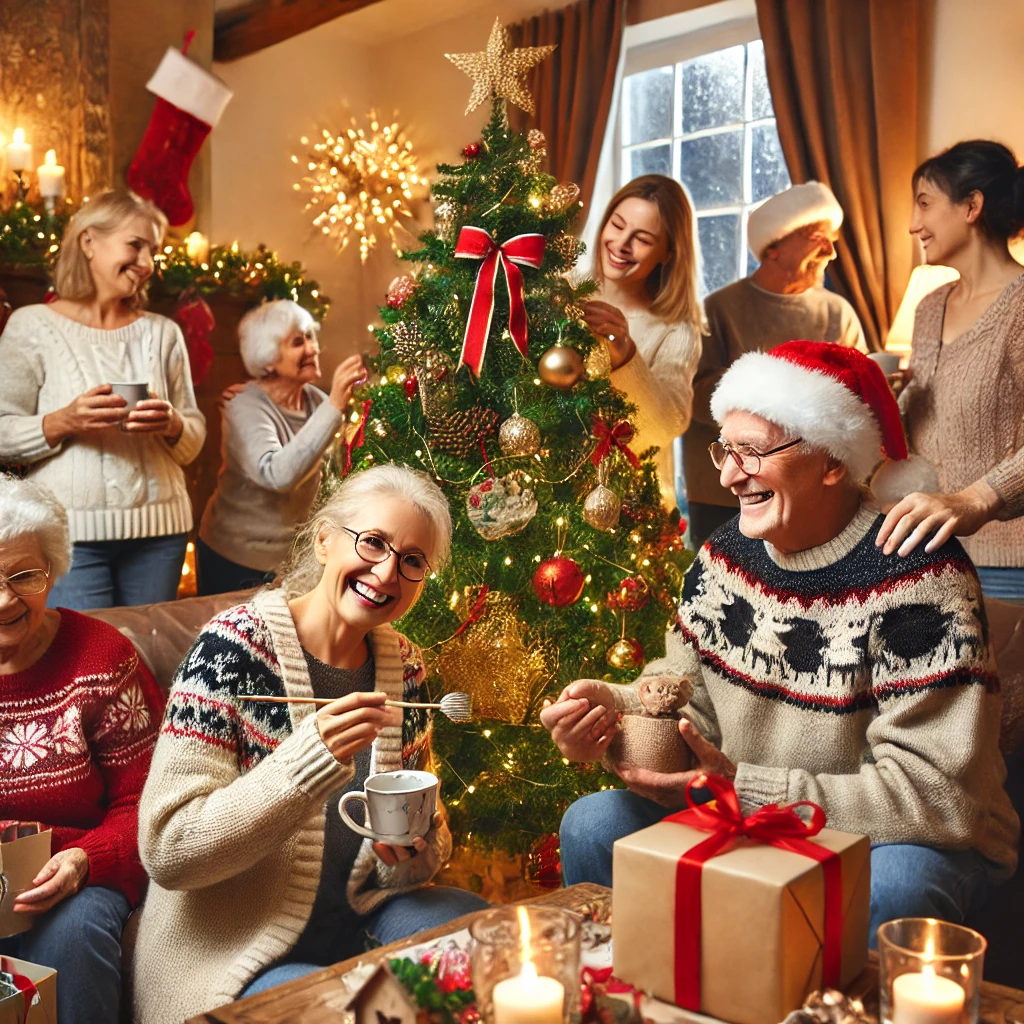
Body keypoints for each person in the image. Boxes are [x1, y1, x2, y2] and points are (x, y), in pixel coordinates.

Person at [542, 342, 1018, 944]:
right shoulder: (723, 559)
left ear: (833, 461)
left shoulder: (919, 576)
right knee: (594, 823)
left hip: (901, 835)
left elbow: (937, 798)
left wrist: (748, 790)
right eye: (724, 448)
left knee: (897, 883)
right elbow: (693, 711)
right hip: (749, 810)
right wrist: (617, 712)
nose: (728, 474)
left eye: (753, 451)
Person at [133, 463, 487, 1024]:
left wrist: (412, 855)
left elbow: (418, 841)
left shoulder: (407, 669)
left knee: (483, 949)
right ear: (324, 540)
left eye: (412, 560)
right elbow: (167, 849)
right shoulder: (233, 651)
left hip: (356, 922)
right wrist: (304, 764)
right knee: (345, 1010)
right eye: (373, 543)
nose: (387, 572)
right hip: (235, 954)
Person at [0, 475, 165, 1024]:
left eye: (24, 575)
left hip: (77, 878)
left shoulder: (101, 660)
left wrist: (85, 860)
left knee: (77, 930)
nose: (5, 598)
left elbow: (153, 802)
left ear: (54, 569)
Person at [0, 189, 206, 610]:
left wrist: (172, 424)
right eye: (135, 245)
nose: (147, 263)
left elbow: (195, 433)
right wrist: (64, 420)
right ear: (89, 241)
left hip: (160, 532)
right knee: (87, 667)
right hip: (68, 536)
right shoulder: (32, 325)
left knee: (150, 660)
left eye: (154, 251)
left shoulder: (163, 332)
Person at [876, 140, 1024, 602]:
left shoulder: (1020, 307)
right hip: (923, 556)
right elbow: (920, 430)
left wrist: (977, 499)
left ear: (972, 206)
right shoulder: (929, 307)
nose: (912, 224)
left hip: (1008, 566)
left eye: (924, 203)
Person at [684, 182, 867, 547]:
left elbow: (857, 403)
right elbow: (693, 395)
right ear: (774, 248)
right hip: (723, 494)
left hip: (809, 497)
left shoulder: (838, 313)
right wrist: (779, 394)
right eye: (817, 237)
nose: (830, 251)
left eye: (832, 240)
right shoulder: (718, 309)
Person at [197, 300, 367, 595]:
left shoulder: (317, 401)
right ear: (268, 357)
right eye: (298, 342)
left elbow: (331, 475)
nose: (313, 349)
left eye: (311, 337)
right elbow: (278, 475)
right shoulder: (244, 405)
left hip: (295, 559)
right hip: (237, 558)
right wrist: (336, 404)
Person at [581, 174, 704, 509]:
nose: (621, 243)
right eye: (617, 225)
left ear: (667, 253)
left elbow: (666, 424)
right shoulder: (563, 291)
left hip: (630, 511)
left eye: (643, 239)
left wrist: (624, 355)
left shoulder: (676, 330)